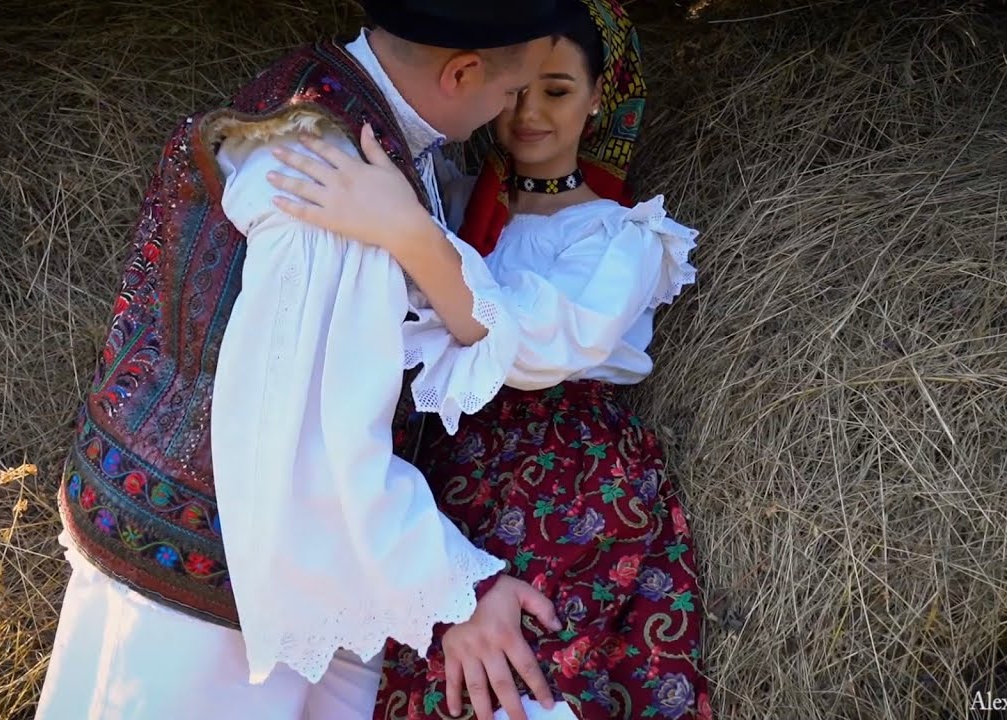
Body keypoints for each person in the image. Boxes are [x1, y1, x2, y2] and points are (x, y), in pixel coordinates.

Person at [35, 2, 585, 719]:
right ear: (461, 73)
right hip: (211, 588)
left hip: (152, 516)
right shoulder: (333, 190)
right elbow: (312, 439)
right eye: (509, 92)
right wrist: (461, 590)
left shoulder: (316, 88)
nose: (508, 113)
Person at [264, 0, 713, 718]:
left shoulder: (622, 237)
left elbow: (534, 347)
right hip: (444, 470)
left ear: (599, 97)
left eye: (558, 91)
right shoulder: (448, 203)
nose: (530, 113)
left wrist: (408, 234)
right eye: (519, 91)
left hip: (567, 473)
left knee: (532, 676)